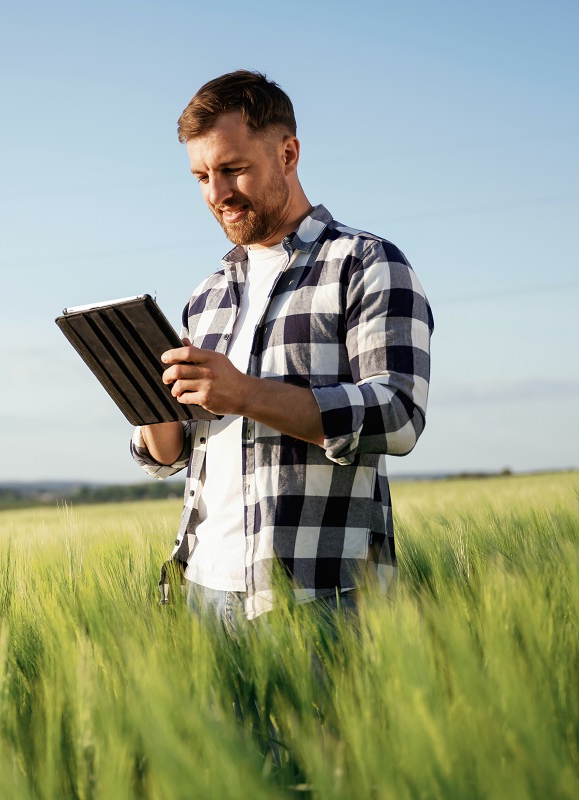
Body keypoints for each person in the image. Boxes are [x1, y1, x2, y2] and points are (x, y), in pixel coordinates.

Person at [131, 70, 433, 627]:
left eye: (233, 169)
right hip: (199, 591)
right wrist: (150, 406)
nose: (217, 194)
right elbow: (180, 449)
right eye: (201, 176)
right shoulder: (208, 295)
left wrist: (244, 393)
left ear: (288, 153)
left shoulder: (365, 264)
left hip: (320, 595)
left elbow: (397, 416)